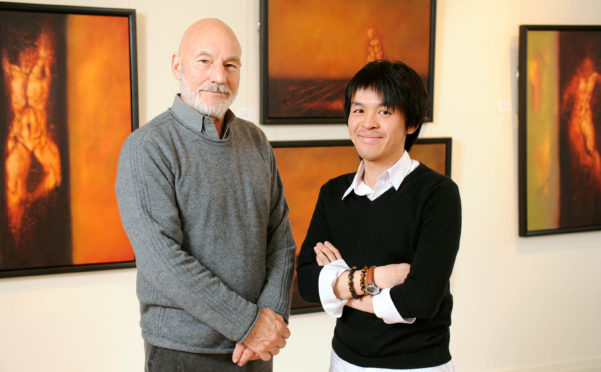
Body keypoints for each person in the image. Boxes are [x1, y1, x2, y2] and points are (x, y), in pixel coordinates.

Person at [115, 18, 295, 371]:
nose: (219, 76)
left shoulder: (255, 141)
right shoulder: (148, 147)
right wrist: (248, 324)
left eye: (231, 65)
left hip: (256, 351)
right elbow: (162, 261)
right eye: (204, 61)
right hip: (183, 353)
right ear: (176, 65)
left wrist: (270, 318)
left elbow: (281, 238)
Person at [297, 60, 462, 371]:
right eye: (359, 110)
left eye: (384, 112)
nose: (368, 123)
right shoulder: (333, 193)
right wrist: (378, 278)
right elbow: (306, 281)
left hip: (417, 365)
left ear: (411, 123)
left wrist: (338, 286)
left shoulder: (438, 194)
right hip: (344, 360)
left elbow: (422, 298)